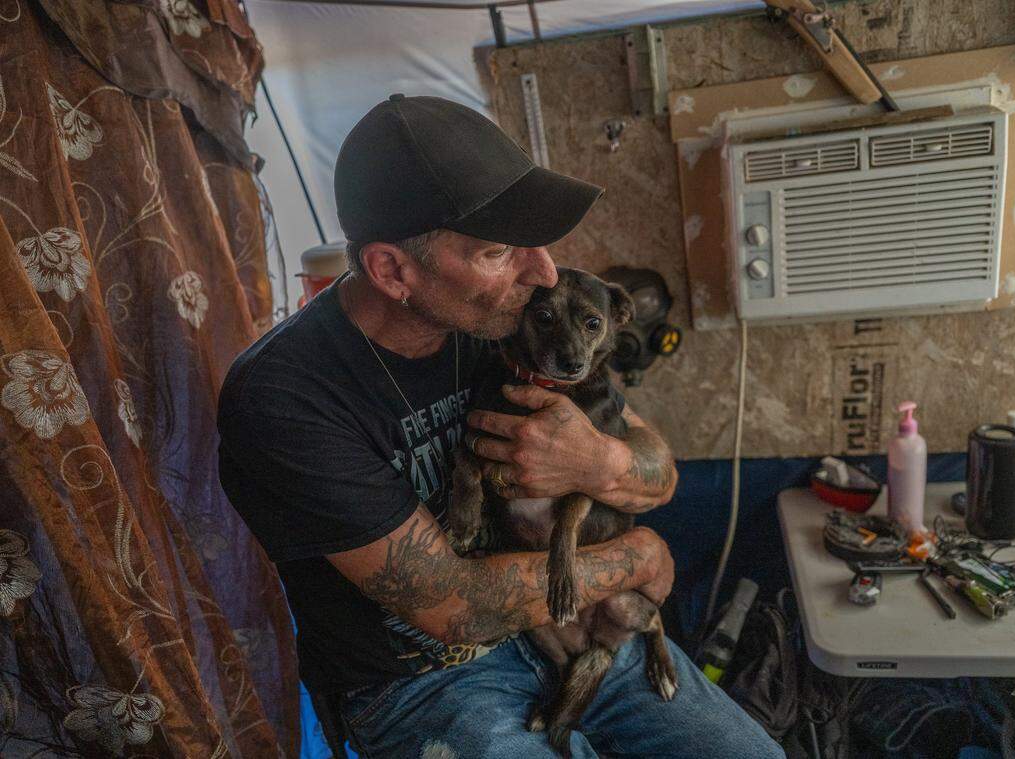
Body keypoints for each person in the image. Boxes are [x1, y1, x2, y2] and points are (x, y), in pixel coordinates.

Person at [217, 95, 783, 758]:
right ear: (392, 270)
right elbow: (451, 603)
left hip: (573, 622)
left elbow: (654, 465)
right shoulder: (287, 396)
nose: (541, 272)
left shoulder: (505, 323)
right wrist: (640, 555)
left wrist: (597, 462)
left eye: (535, 245)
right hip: (425, 682)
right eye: (498, 251)